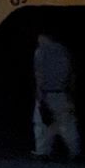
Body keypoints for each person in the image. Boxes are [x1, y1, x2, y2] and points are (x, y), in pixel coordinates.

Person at [33, 31, 80, 159]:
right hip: (63, 93)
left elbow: (39, 75)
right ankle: (74, 151)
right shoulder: (64, 51)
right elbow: (72, 75)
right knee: (67, 124)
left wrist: (39, 97)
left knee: (42, 124)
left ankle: (42, 151)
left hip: (46, 93)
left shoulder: (40, 52)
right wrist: (71, 95)